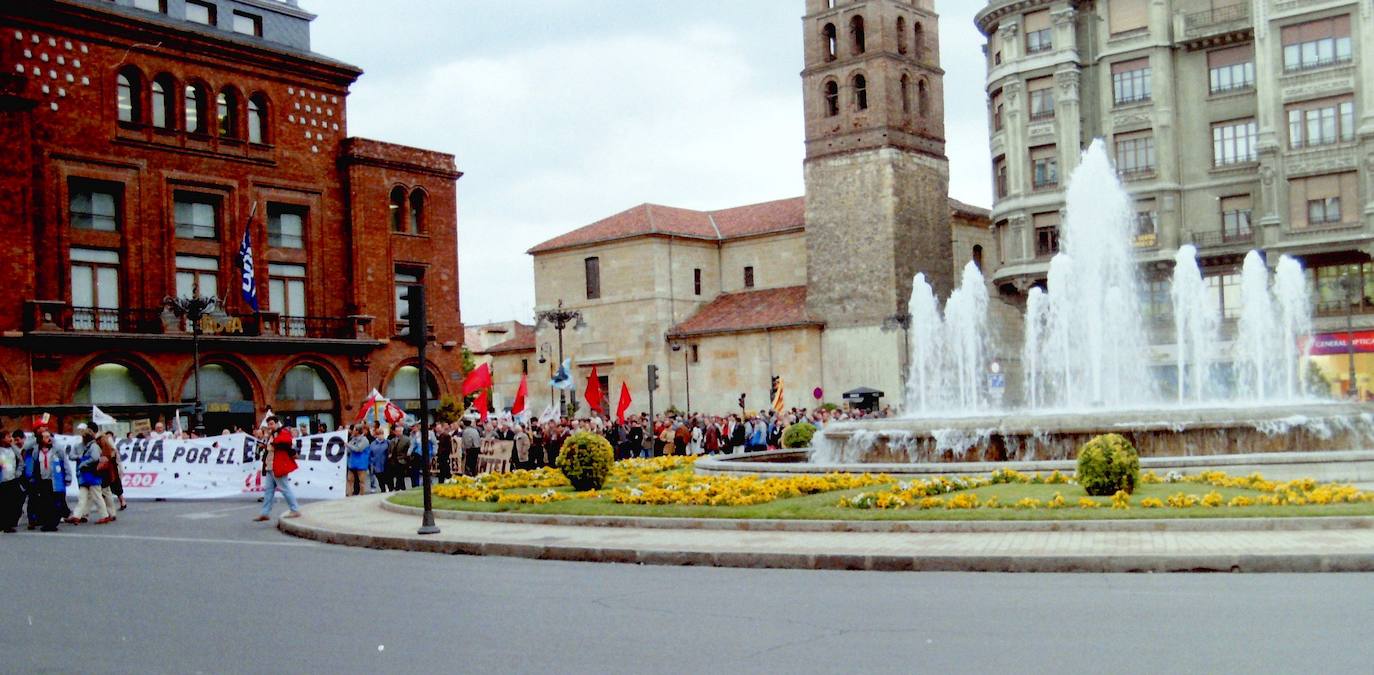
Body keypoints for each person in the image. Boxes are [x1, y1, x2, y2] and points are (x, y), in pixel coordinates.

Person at [254, 416, 301, 521]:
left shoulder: (282, 433)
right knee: (269, 491)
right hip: (270, 466)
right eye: (269, 424)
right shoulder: (273, 435)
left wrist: (272, 443)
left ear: (276, 423)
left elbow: (285, 442)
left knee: (284, 488)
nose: (270, 426)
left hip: (278, 465)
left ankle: (295, 509)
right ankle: (265, 513)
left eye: (271, 424)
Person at [24, 426, 68, 532]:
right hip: (42, 480)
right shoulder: (36, 451)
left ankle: (53, 523)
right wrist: (32, 477)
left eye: (49, 436)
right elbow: (34, 464)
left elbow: (65, 463)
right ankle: (47, 522)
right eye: (46, 437)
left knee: (55, 502)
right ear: (40, 439)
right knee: (45, 502)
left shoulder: (57, 450)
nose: (49, 439)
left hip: (54, 480)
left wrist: (68, 476)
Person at [70, 425, 111, 525]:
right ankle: (76, 515)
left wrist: (83, 463)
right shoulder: (91, 446)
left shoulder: (94, 446)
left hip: (92, 474)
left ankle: (104, 515)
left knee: (97, 496)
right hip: (87, 474)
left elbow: (95, 458)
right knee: (83, 496)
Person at [0, 430, 24, 533]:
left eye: (10, 436)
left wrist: (18, 473)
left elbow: (21, 462)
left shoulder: (14, 450)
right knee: (4, 503)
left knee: (16, 500)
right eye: (7, 437)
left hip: (12, 480)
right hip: (2, 481)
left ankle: (11, 522)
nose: (10, 439)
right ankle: (4, 524)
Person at [346, 424, 370, 496]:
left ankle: (361, 495)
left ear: (358, 431)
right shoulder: (352, 439)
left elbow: (358, 449)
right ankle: (350, 494)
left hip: (361, 464)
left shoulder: (364, 440)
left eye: (354, 430)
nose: (352, 431)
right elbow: (349, 450)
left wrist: (348, 445)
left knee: (361, 481)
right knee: (350, 480)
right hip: (352, 463)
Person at [387, 425, 412, 490]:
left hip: (402, 460)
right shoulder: (392, 440)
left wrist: (406, 458)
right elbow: (390, 450)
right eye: (397, 431)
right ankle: (401, 488)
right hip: (393, 460)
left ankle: (398, 487)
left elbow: (409, 450)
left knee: (400, 475)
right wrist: (390, 454)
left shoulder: (407, 439)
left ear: (402, 431)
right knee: (396, 475)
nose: (398, 433)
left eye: (399, 431)